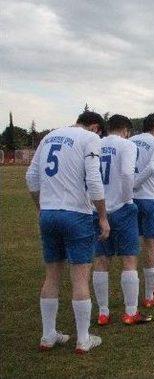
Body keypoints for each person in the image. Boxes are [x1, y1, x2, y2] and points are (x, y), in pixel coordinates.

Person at [26, 111, 108, 354]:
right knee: (80, 277)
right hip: (76, 214)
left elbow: (31, 176)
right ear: (94, 127)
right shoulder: (89, 138)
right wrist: (102, 216)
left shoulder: (49, 137)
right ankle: (83, 339)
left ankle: (48, 334)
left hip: (50, 213)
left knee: (52, 276)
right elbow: (94, 181)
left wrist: (40, 207)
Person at [93, 114, 152, 327]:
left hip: (99, 208)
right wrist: (127, 199)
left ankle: (103, 312)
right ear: (126, 130)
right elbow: (127, 174)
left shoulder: (96, 143)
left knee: (101, 260)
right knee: (129, 260)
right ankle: (130, 312)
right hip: (121, 207)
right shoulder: (126, 145)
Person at [130, 113, 154, 308]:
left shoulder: (130, 139)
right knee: (150, 247)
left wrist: (130, 186)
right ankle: (148, 296)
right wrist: (136, 184)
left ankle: (133, 299)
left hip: (130, 199)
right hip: (150, 198)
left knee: (132, 250)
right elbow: (152, 167)